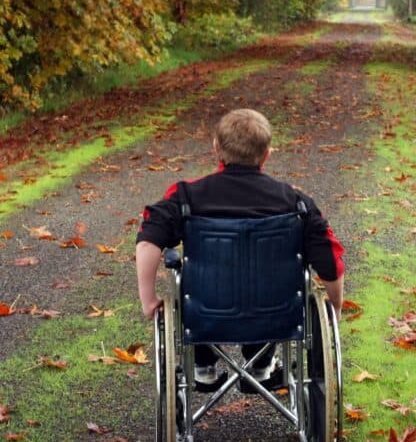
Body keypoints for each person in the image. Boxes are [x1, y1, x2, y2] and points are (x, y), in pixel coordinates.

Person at [136, 108, 344, 391]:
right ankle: (261, 365)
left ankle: (203, 365)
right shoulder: (296, 203)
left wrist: (148, 300)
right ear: (267, 153)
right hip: (276, 315)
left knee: (195, 281)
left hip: (206, 314)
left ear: (216, 148)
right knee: (269, 284)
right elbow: (329, 260)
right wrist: (335, 306)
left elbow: (148, 240)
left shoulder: (186, 196)